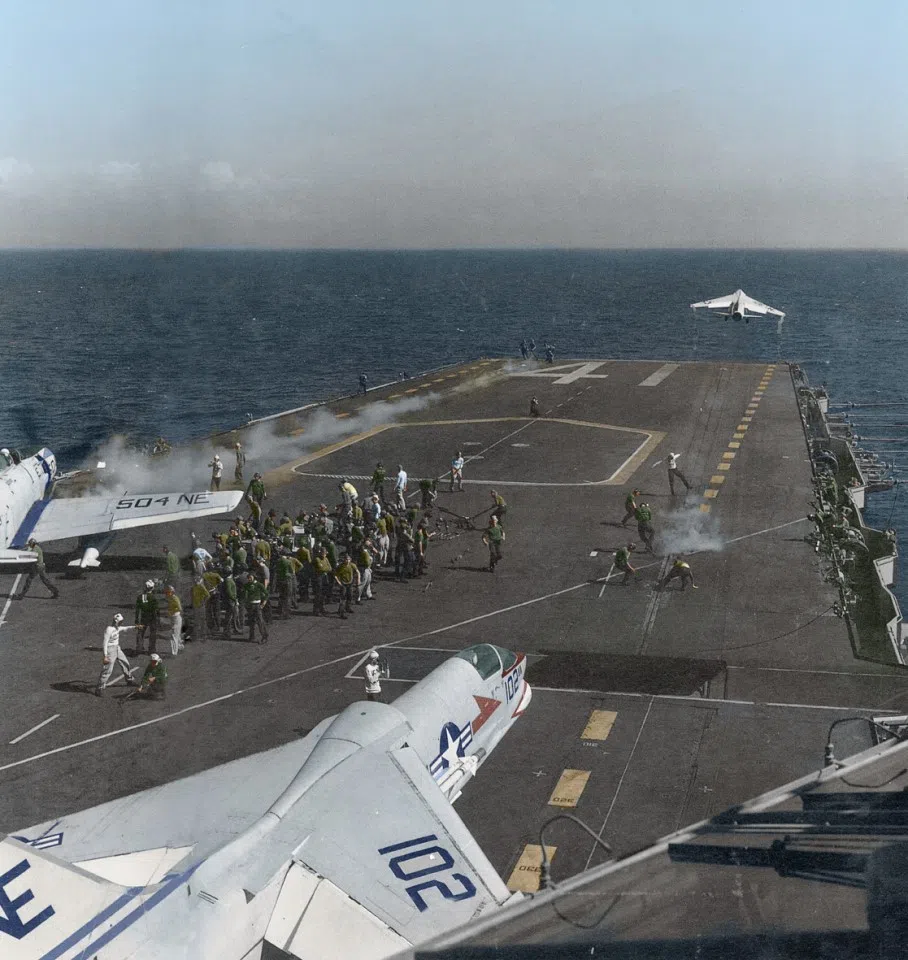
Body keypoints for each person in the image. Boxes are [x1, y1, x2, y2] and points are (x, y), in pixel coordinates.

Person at [94, 614, 137, 697]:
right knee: (108, 670)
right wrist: (105, 656)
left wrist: (135, 627)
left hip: (117, 648)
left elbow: (125, 628)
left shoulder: (117, 628)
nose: (121, 623)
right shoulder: (109, 629)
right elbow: (105, 643)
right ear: (115, 621)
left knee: (125, 663)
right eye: (120, 622)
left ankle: (129, 680)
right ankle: (99, 688)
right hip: (110, 650)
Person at [134, 580, 159, 655]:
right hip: (152, 617)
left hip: (143, 616)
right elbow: (156, 610)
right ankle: (151, 649)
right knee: (152, 633)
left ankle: (139, 647)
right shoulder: (153, 598)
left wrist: (136, 619)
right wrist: (158, 619)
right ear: (152, 588)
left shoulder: (140, 597)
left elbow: (137, 609)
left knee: (140, 632)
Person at [243, 573, 269, 643]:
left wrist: (263, 603)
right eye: (248, 578)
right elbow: (244, 595)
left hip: (257, 605)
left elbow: (266, 594)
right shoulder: (246, 585)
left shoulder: (259, 584)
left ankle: (264, 636)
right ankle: (252, 637)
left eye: (250, 577)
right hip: (250, 605)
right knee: (251, 622)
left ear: (254, 577)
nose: (249, 579)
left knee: (260, 621)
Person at [334, 553, 360, 619]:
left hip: (350, 582)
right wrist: (339, 582)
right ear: (344, 560)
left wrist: (358, 579)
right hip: (343, 583)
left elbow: (358, 572)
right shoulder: (340, 566)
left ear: (350, 560)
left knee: (350, 595)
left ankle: (348, 608)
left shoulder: (352, 565)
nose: (347, 561)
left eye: (348, 559)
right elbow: (335, 575)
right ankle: (341, 612)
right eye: (346, 559)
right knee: (343, 597)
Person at [163, 585, 183, 656]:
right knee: (177, 635)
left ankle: (174, 653)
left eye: (168, 592)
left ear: (172, 592)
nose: (167, 594)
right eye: (166, 592)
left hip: (176, 618)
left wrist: (171, 611)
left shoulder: (174, 598)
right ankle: (180, 647)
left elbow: (180, 608)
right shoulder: (170, 598)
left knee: (173, 635)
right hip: (173, 618)